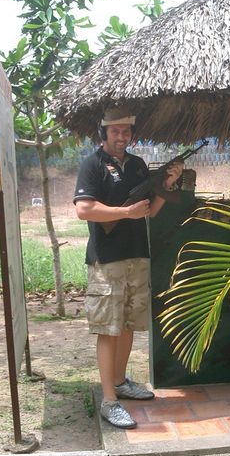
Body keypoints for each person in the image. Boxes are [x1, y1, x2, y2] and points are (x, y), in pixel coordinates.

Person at [73, 107, 183, 429]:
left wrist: (169, 184)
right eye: (115, 132)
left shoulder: (136, 165)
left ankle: (121, 381)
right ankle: (109, 401)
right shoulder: (92, 165)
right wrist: (126, 213)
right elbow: (84, 209)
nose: (121, 137)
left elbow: (149, 211)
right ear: (104, 133)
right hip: (107, 260)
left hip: (137, 256)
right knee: (109, 328)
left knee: (129, 324)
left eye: (126, 132)